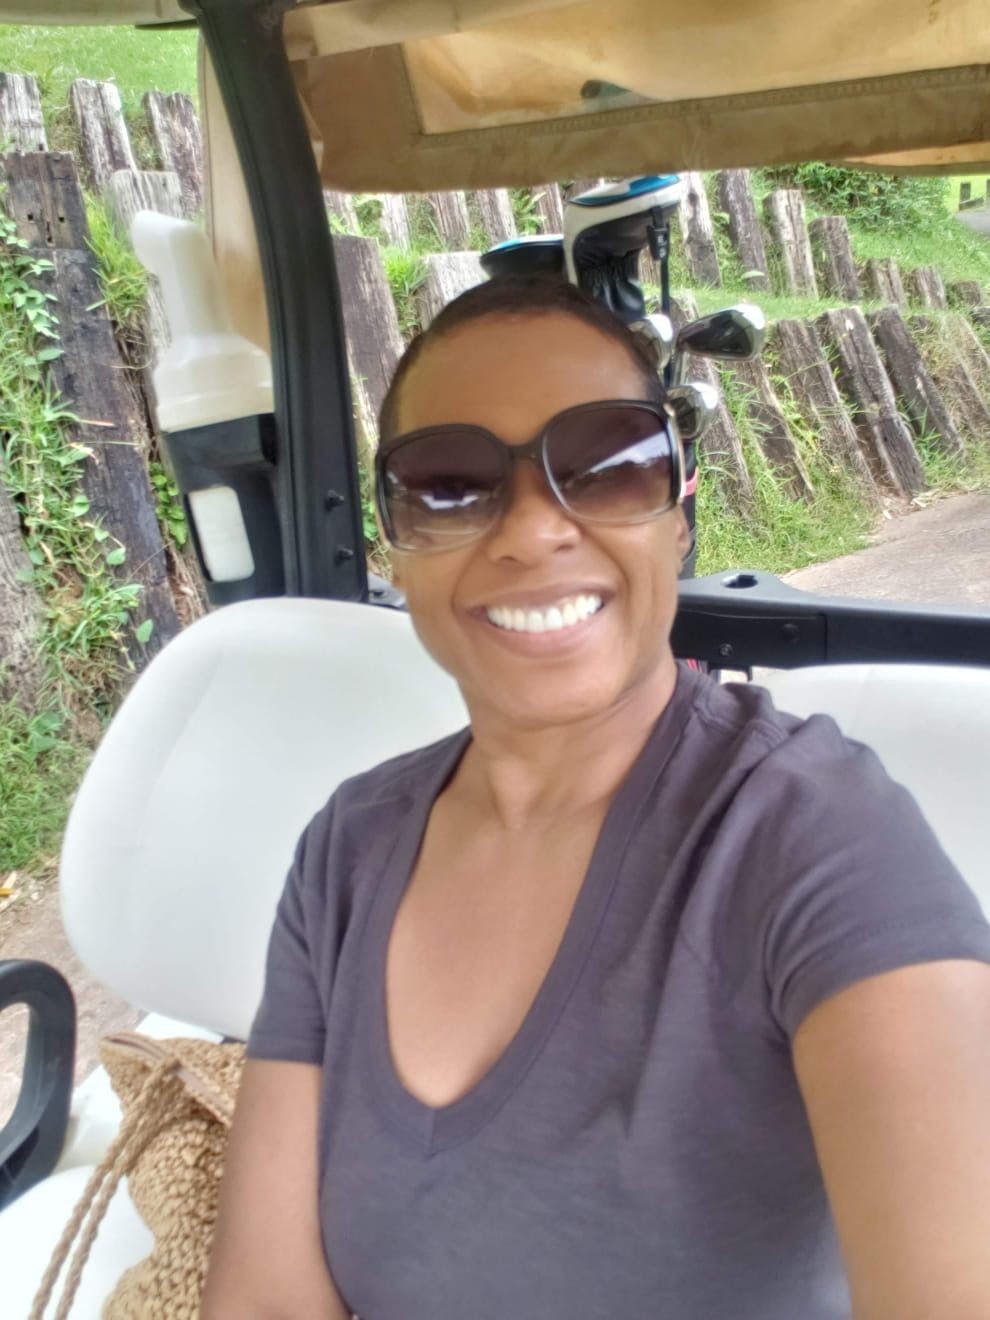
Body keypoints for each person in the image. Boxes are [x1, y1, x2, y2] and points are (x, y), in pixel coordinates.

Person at [202, 276, 990, 1320]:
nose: (532, 531)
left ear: (679, 510)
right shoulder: (348, 848)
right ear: (398, 541)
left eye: (610, 467)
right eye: (449, 483)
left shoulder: (813, 833)